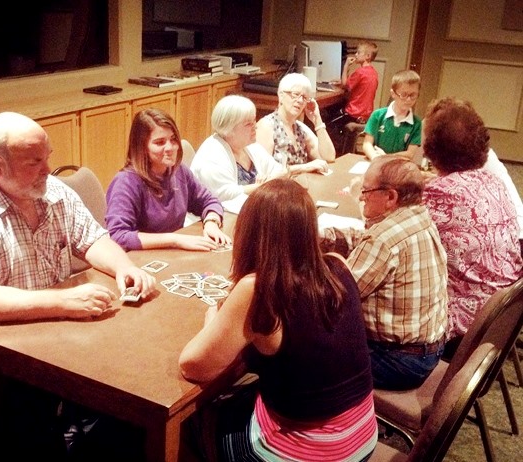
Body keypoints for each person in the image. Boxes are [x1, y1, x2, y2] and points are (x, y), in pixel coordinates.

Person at [0, 111, 157, 458]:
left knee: (125, 358)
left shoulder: (47, 189)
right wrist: (64, 303)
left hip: (35, 321)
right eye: (34, 162)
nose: (46, 169)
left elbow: (91, 239)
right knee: (37, 400)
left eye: (48, 157)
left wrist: (123, 266)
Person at [179, 179, 377, 461]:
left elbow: (193, 366)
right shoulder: (337, 264)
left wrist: (214, 315)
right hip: (363, 438)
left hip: (311, 452)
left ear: (250, 231)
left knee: (191, 423)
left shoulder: (258, 289)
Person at [319, 156, 448, 390]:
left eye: (366, 190)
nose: (360, 196)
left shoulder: (382, 241)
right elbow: (367, 238)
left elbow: (332, 300)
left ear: (390, 197)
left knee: (297, 351)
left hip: (398, 362)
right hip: (429, 351)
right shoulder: (418, 216)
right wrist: (320, 235)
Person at [421, 97, 523, 358]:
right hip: (499, 323)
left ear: (430, 147)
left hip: (461, 334)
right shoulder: (493, 182)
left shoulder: (439, 193)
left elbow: (397, 239)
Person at [105, 109, 231, 252]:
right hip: (139, 260)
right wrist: (175, 239)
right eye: (160, 143)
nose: (170, 148)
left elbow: (209, 201)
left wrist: (211, 223)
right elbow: (119, 236)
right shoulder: (126, 182)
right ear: (142, 147)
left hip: (172, 254)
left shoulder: (179, 171)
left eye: (173, 139)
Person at [190, 95, 287, 204]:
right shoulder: (211, 154)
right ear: (229, 129)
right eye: (248, 124)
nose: (255, 127)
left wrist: (265, 183)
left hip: (250, 210)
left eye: (254, 121)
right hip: (217, 217)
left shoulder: (250, 146)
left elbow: (281, 171)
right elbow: (226, 195)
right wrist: (261, 187)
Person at [256, 72, 336, 173]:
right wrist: (305, 167)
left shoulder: (300, 128)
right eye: (296, 95)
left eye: (304, 97)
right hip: (278, 187)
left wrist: (317, 120)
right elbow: (265, 171)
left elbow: (329, 157)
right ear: (281, 96)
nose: (300, 101)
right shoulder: (266, 126)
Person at [328, 40, 379, 154]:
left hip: (354, 113)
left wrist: (346, 65)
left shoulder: (360, 72)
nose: (356, 55)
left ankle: (338, 151)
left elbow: (346, 85)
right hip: (366, 114)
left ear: (367, 56)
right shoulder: (373, 73)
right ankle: (345, 147)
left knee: (329, 123)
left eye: (358, 52)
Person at [362, 69, 422, 161]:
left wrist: (385, 157)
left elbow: (410, 154)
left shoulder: (416, 123)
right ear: (393, 93)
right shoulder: (377, 115)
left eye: (413, 95)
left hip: (399, 167)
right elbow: (367, 144)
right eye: (403, 94)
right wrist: (375, 158)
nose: (408, 99)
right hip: (375, 162)